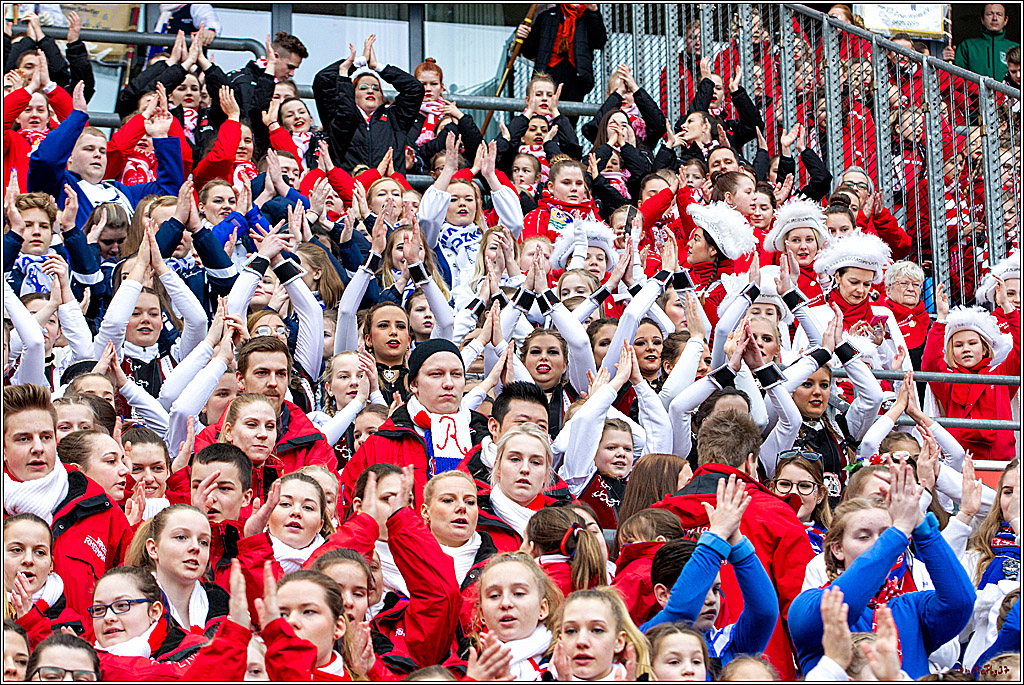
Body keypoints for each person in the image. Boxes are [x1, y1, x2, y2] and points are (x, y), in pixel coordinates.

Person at [654, 409, 814, 681]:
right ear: (751, 463)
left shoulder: (659, 515)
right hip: (760, 666)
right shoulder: (775, 513)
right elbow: (800, 608)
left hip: (672, 664)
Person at [787, 465, 976, 679]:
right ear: (838, 548)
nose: (880, 544)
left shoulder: (912, 606)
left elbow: (960, 602)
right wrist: (898, 532)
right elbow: (846, 602)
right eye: (863, 536)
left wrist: (921, 526)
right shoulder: (809, 605)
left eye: (885, 534)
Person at [338, 339, 490, 509]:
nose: (449, 384)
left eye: (456, 374)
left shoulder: (487, 438)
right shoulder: (382, 442)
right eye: (436, 374)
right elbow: (349, 504)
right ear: (414, 384)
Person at [516, 5, 607, 120]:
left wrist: (594, 11)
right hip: (547, 76)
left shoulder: (588, 17)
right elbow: (529, 51)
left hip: (575, 79)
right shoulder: (547, 16)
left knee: (568, 121)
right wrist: (522, 36)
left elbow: (599, 41)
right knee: (541, 118)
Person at [950, 4, 1018, 81]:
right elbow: (957, 78)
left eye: (999, 14)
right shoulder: (967, 46)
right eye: (989, 14)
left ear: (1005, 20)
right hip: (976, 89)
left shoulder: (1016, 48)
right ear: (982, 19)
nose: (994, 18)